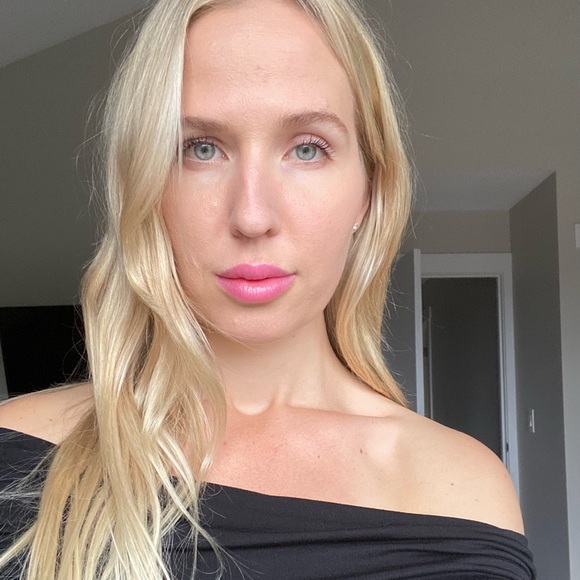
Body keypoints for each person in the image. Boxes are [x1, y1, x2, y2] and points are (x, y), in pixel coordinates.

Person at [0, 0, 535, 578]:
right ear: (145, 186)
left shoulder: (463, 494)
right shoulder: (13, 456)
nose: (252, 217)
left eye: (307, 148)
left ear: (369, 191)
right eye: (200, 148)